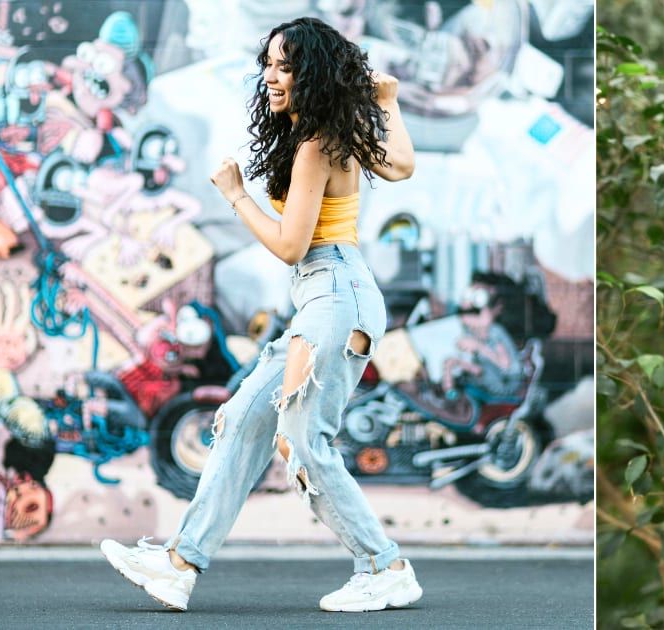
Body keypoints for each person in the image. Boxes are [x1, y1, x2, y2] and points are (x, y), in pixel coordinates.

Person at [99, 17, 421, 613]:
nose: (272, 77)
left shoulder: (316, 145)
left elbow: (292, 246)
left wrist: (235, 194)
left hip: (334, 293)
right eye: (269, 64)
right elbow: (399, 165)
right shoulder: (330, 133)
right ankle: (179, 562)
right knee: (244, 416)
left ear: (314, 73)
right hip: (323, 298)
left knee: (304, 441)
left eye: (287, 65)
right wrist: (388, 102)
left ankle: (384, 565)